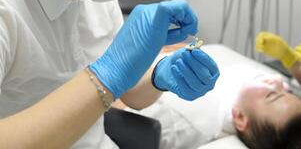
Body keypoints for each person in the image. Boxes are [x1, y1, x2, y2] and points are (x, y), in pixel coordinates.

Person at [0, 0, 220, 148]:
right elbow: (108, 81)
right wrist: (104, 76)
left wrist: (160, 75)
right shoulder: (6, 2)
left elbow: (127, 94)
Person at [117, 46, 301, 149]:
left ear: (240, 118)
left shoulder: (182, 121)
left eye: (272, 95)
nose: (279, 80)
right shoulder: (242, 93)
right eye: (288, 91)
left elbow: (116, 105)